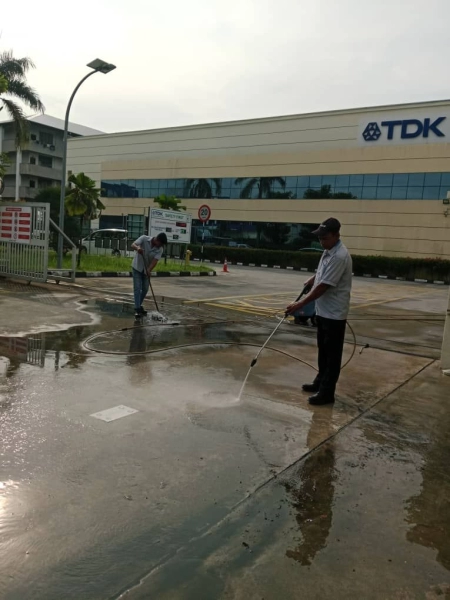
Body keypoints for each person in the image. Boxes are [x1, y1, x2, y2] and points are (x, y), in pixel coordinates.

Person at [286, 218, 352, 405]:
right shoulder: (329, 251)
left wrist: (298, 306)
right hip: (323, 311)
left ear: (336, 235)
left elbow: (323, 287)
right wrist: (312, 278)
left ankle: (327, 393)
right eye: (320, 238)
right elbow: (322, 274)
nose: (322, 241)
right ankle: (319, 383)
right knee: (323, 352)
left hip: (334, 314)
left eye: (325, 238)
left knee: (332, 356)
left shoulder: (340, 256)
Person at [131, 232, 167, 318]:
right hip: (137, 267)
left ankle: (138, 305)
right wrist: (138, 248)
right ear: (157, 239)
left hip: (146, 270)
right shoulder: (144, 238)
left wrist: (149, 269)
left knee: (145, 289)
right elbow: (133, 245)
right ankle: (137, 309)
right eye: (160, 243)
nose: (160, 246)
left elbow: (155, 261)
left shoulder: (160, 249)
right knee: (137, 288)